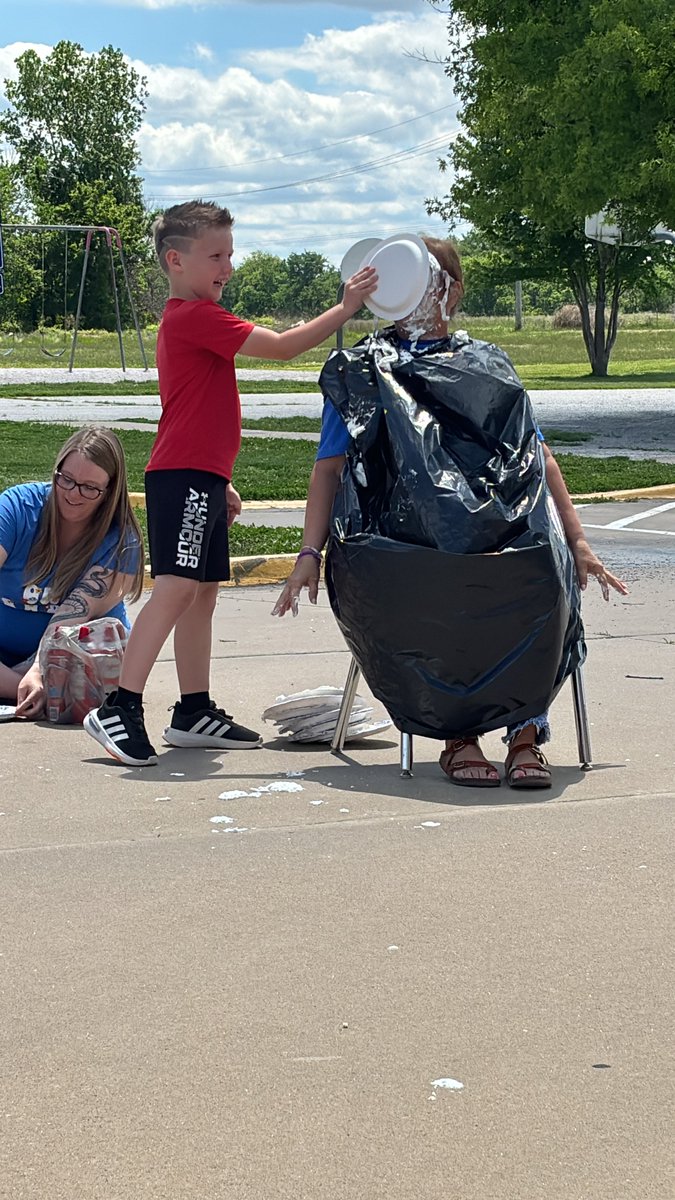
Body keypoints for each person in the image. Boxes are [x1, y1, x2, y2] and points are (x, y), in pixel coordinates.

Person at [273, 235, 628, 789]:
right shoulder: (361, 370)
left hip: (510, 531)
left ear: (453, 290)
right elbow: (328, 468)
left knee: (541, 580)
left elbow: (535, 454)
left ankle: (525, 734)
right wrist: (308, 554)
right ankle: (459, 736)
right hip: (402, 543)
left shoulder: (487, 363)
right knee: (444, 588)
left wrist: (578, 541)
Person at [83, 199, 377, 767]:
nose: (229, 266)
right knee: (175, 587)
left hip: (201, 478)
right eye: (216, 255)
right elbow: (283, 347)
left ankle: (193, 711)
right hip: (183, 476)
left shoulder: (199, 319)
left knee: (201, 594)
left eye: (231, 254)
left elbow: (201, 410)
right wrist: (346, 308)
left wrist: (220, 483)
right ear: (176, 261)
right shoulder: (193, 316)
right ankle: (119, 706)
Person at [0, 427, 144, 719]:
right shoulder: (18, 507)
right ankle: (29, 695)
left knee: (91, 670)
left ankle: (36, 695)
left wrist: (39, 671)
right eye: (65, 479)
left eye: (89, 487)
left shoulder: (121, 541)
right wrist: (25, 684)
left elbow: (66, 622)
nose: (72, 494)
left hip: (73, 662)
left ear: (110, 492)